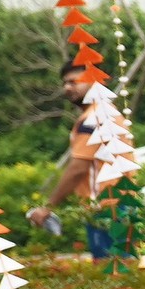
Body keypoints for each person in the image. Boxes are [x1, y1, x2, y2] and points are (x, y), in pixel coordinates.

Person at [26, 58, 115, 258]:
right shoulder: (107, 113)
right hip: (119, 205)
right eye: (65, 83)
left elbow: (78, 168)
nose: (67, 87)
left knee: (111, 269)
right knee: (123, 269)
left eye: (74, 82)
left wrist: (48, 207)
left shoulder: (94, 118)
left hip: (105, 207)